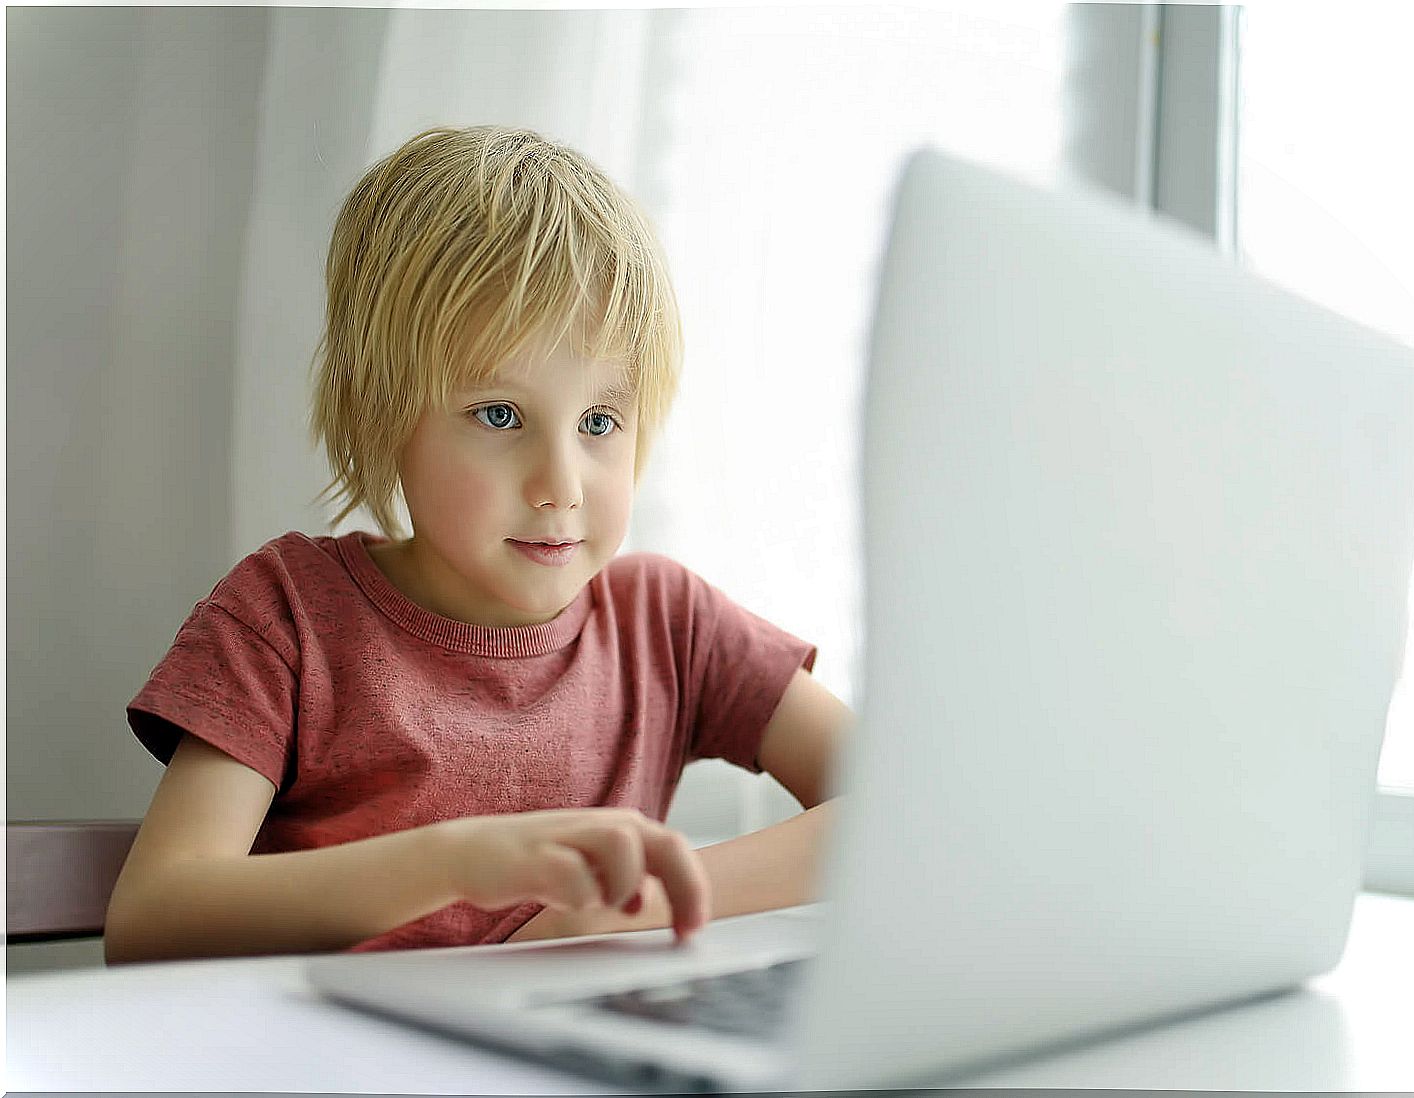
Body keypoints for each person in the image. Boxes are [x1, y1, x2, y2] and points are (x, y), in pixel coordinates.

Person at [103, 126, 853, 964]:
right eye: (500, 415)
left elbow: (909, 806)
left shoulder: (669, 625)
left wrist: (632, 907)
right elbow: (153, 918)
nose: (561, 482)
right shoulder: (288, 615)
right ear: (382, 415)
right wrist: (457, 864)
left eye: (600, 422)